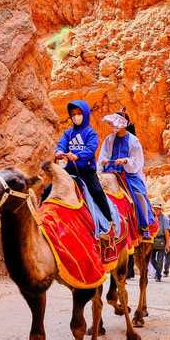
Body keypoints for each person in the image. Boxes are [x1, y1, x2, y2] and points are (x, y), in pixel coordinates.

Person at [53, 100, 116, 241]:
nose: (76, 117)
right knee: (49, 189)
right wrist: (58, 151)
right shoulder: (68, 133)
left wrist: (78, 155)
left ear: (85, 114)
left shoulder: (91, 133)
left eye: (79, 113)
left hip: (86, 171)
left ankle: (108, 222)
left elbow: (91, 149)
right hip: (70, 171)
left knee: (97, 191)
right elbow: (61, 145)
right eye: (73, 114)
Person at [98, 111, 153, 239]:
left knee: (139, 194)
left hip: (128, 174)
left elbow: (136, 162)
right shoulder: (109, 139)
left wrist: (125, 161)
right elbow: (103, 155)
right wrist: (103, 161)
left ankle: (144, 227)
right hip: (110, 171)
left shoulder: (134, 141)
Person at [149, 203, 170, 281]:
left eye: (158, 208)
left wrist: (167, 244)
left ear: (160, 209)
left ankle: (158, 276)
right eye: (155, 208)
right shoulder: (151, 217)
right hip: (152, 240)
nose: (156, 210)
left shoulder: (164, 219)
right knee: (151, 258)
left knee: (160, 259)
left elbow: (166, 232)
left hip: (161, 240)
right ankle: (158, 272)